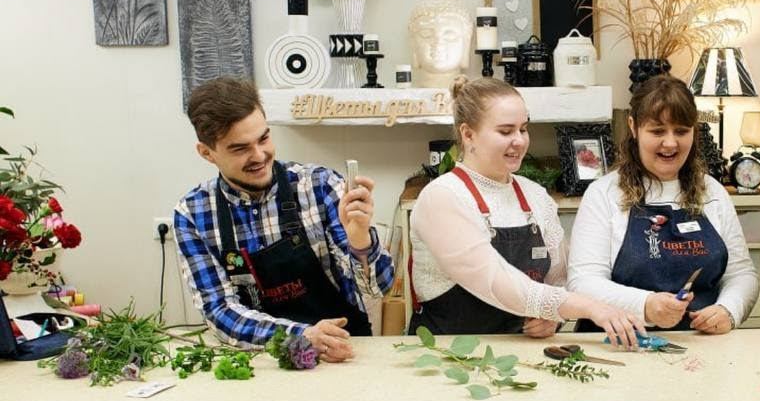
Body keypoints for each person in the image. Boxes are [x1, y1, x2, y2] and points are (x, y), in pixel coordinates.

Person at [409, 77, 645, 346]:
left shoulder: (535, 196)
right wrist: (590, 308)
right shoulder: (442, 197)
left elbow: (558, 278)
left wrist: (552, 318)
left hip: (523, 354)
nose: (519, 141)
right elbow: (496, 281)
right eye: (505, 131)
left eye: (523, 129)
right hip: (446, 353)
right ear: (468, 134)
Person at [173, 77, 393, 361]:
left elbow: (379, 288)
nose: (259, 155)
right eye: (240, 148)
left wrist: (360, 241)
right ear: (207, 153)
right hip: (262, 362)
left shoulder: (320, 187)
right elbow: (220, 311)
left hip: (343, 352)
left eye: (264, 139)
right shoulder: (193, 215)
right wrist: (300, 336)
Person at [567, 75, 758, 334]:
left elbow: (741, 273)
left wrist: (728, 310)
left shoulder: (712, 191)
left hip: (701, 343)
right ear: (634, 127)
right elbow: (583, 283)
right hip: (618, 344)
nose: (670, 143)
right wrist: (645, 305)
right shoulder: (604, 194)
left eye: (681, 131)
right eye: (657, 131)